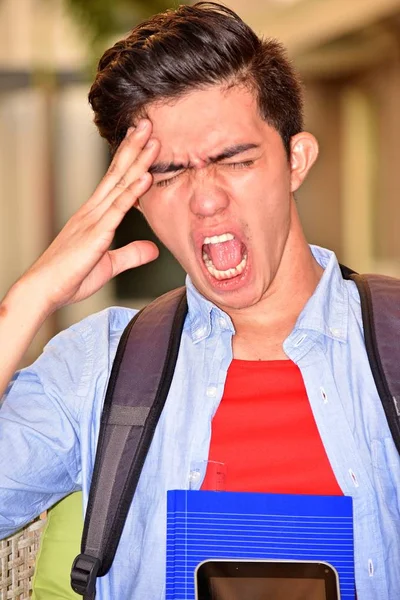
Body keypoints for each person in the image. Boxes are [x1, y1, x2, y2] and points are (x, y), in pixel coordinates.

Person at [0, 2, 399, 599]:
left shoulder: (393, 342)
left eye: (234, 160)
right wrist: (27, 301)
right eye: (167, 174)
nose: (204, 200)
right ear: (136, 196)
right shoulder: (98, 368)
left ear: (296, 161)